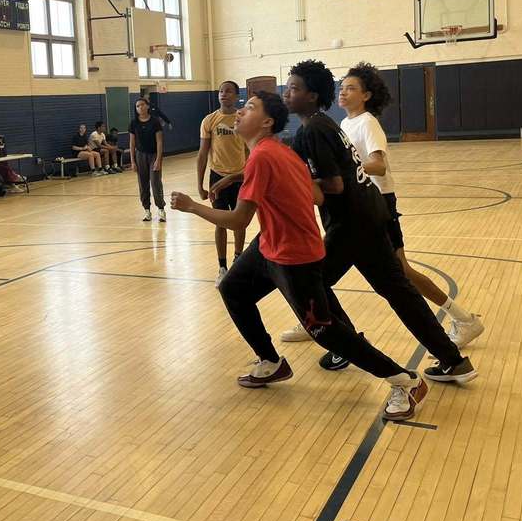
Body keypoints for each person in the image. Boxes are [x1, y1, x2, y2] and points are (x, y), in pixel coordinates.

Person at [170, 92, 428, 420]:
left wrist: (192, 207)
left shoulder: (263, 157)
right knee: (233, 288)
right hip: (270, 245)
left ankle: (405, 380)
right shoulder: (278, 152)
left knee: (325, 332)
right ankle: (271, 362)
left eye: (249, 107)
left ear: (266, 122)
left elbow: (238, 220)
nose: (239, 112)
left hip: (294, 256)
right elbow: (317, 195)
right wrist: (245, 180)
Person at [283, 60, 476, 384]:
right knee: (399, 291)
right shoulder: (331, 125)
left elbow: (334, 186)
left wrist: (296, 183)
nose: (287, 93)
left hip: (351, 223)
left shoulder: (314, 130)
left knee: (312, 283)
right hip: (371, 215)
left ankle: (345, 345)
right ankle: (453, 360)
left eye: (294, 88)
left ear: (313, 96)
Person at [335, 63, 484, 347]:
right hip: (360, 204)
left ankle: (464, 319)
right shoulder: (345, 124)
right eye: (341, 87)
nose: (343, 92)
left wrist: (345, 169)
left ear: (366, 95)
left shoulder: (367, 123)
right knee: (387, 269)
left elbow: (378, 165)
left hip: (378, 202)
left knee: (401, 271)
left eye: (350, 88)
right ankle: (318, 319)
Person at [197, 81, 248, 286]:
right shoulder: (209, 120)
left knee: (239, 221)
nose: (223, 94)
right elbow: (202, 153)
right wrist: (199, 184)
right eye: (220, 91)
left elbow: (250, 150)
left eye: (228, 91)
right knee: (220, 221)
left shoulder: (243, 119)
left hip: (239, 177)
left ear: (236, 96)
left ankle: (238, 259)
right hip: (217, 177)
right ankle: (222, 266)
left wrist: (249, 173)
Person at [129, 98, 166, 222]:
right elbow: (132, 143)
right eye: (137, 106)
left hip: (154, 154)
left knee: (155, 183)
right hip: (140, 156)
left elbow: (159, 142)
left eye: (142, 105)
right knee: (143, 184)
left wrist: (158, 159)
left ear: (147, 106)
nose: (140, 107)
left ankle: (161, 209)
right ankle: (147, 210)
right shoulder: (134, 123)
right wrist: (133, 161)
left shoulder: (155, 122)